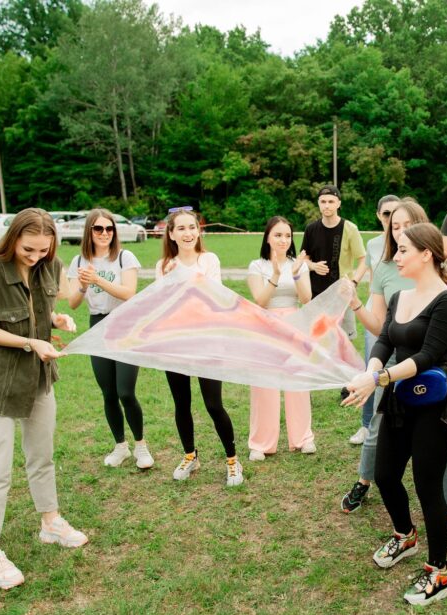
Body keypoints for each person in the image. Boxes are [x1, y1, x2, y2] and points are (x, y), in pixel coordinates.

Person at [343, 223, 447, 605]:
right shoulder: (400, 297)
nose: (395, 257)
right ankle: (405, 535)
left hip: (435, 402)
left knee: (427, 486)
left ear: (426, 255)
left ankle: (440, 573)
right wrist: (371, 371)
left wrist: (379, 379)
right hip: (401, 396)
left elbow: (427, 356)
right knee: (384, 474)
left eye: (402, 250)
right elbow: (386, 338)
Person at [0, 208, 87, 590]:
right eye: (28, 249)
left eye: (43, 250)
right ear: (13, 238)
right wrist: (29, 342)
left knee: (41, 454)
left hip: (37, 378)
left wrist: (56, 321)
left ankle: (50, 522)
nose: (35, 257)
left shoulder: (49, 265)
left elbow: (38, 312)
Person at [157, 208, 241, 486]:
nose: (188, 233)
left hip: (207, 343)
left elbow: (214, 302)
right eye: (180, 228)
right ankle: (190, 456)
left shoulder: (208, 260)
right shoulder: (163, 265)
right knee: (182, 404)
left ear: (199, 230)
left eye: (192, 227)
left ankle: (232, 460)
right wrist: (169, 282)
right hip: (176, 343)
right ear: (171, 233)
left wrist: (183, 282)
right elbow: (162, 308)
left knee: (214, 404)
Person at [67, 208, 151, 469]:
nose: (104, 233)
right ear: (89, 231)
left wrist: (97, 281)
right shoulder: (79, 261)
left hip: (124, 324)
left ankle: (141, 446)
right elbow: (72, 302)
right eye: (98, 228)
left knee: (126, 391)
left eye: (109, 228)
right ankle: (120, 446)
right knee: (109, 393)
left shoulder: (125, 257)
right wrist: (83, 284)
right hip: (98, 325)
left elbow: (129, 293)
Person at [246, 216, 315, 460]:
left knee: (297, 382)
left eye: (287, 235)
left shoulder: (299, 264)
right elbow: (260, 301)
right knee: (265, 385)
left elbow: (306, 299)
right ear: (267, 237)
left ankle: (303, 437)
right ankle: (260, 443)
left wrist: (296, 274)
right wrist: (275, 275)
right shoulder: (257, 266)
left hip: (294, 324)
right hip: (265, 326)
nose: (283, 240)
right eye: (278, 235)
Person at [349, 194, 400, 446]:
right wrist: (354, 287)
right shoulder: (373, 245)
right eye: (386, 214)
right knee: (372, 368)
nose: (391, 219)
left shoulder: (410, 244)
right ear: (379, 216)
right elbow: (369, 275)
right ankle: (367, 424)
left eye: (395, 213)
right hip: (377, 309)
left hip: (401, 315)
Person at [299, 185, 367, 338]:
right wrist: (313, 266)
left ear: (338, 203)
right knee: (315, 342)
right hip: (315, 296)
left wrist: (353, 283)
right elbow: (304, 259)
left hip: (341, 295)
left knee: (342, 343)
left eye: (331, 201)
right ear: (318, 203)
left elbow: (364, 260)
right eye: (323, 202)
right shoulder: (311, 229)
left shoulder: (350, 228)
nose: (327, 205)